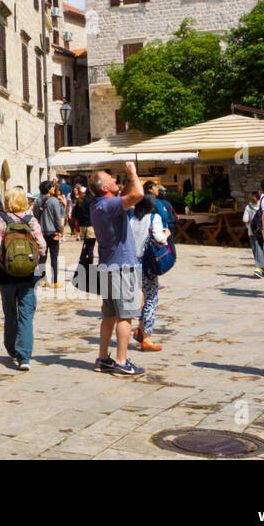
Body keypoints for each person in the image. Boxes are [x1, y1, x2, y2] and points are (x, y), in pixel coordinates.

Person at [88, 161, 146, 376]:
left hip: (108, 266)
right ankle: (121, 362)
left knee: (110, 315)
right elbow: (138, 195)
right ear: (104, 187)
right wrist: (133, 174)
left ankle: (103, 358)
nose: (114, 180)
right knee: (125, 315)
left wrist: (128, 181)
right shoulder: (109, 205)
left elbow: (124, 194)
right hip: (122, 266)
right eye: (110, 178)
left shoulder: (99, 205)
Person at [0, 188, 47, 370]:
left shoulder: (1, 220)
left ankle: (11, 349)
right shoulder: (31, 220)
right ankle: (24, 357)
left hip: (5, 274)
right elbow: (42, 245)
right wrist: (37, 262)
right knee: (26, 315)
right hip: (28, 275)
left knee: (9, 313)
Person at [128, 193, 169, 352]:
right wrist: (166, 235)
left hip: (133, 262)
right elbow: (159, 238)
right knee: (151, 298)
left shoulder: (132, 218)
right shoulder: (154, 218)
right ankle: (147, 338)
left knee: (141, 296)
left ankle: (140, 328)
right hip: (148, 263)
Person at [38, 180, 66, 288]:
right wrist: (60, 231)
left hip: (41, 232)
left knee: (42, 257)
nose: (54, 188)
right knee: (54, 257)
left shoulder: (37, 201)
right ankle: (54, 281)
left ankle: (42, 279)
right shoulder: (54, 201)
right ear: (48, 189)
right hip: (52, 232)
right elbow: (58, 219)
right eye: (52, 187)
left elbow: (36, 216)